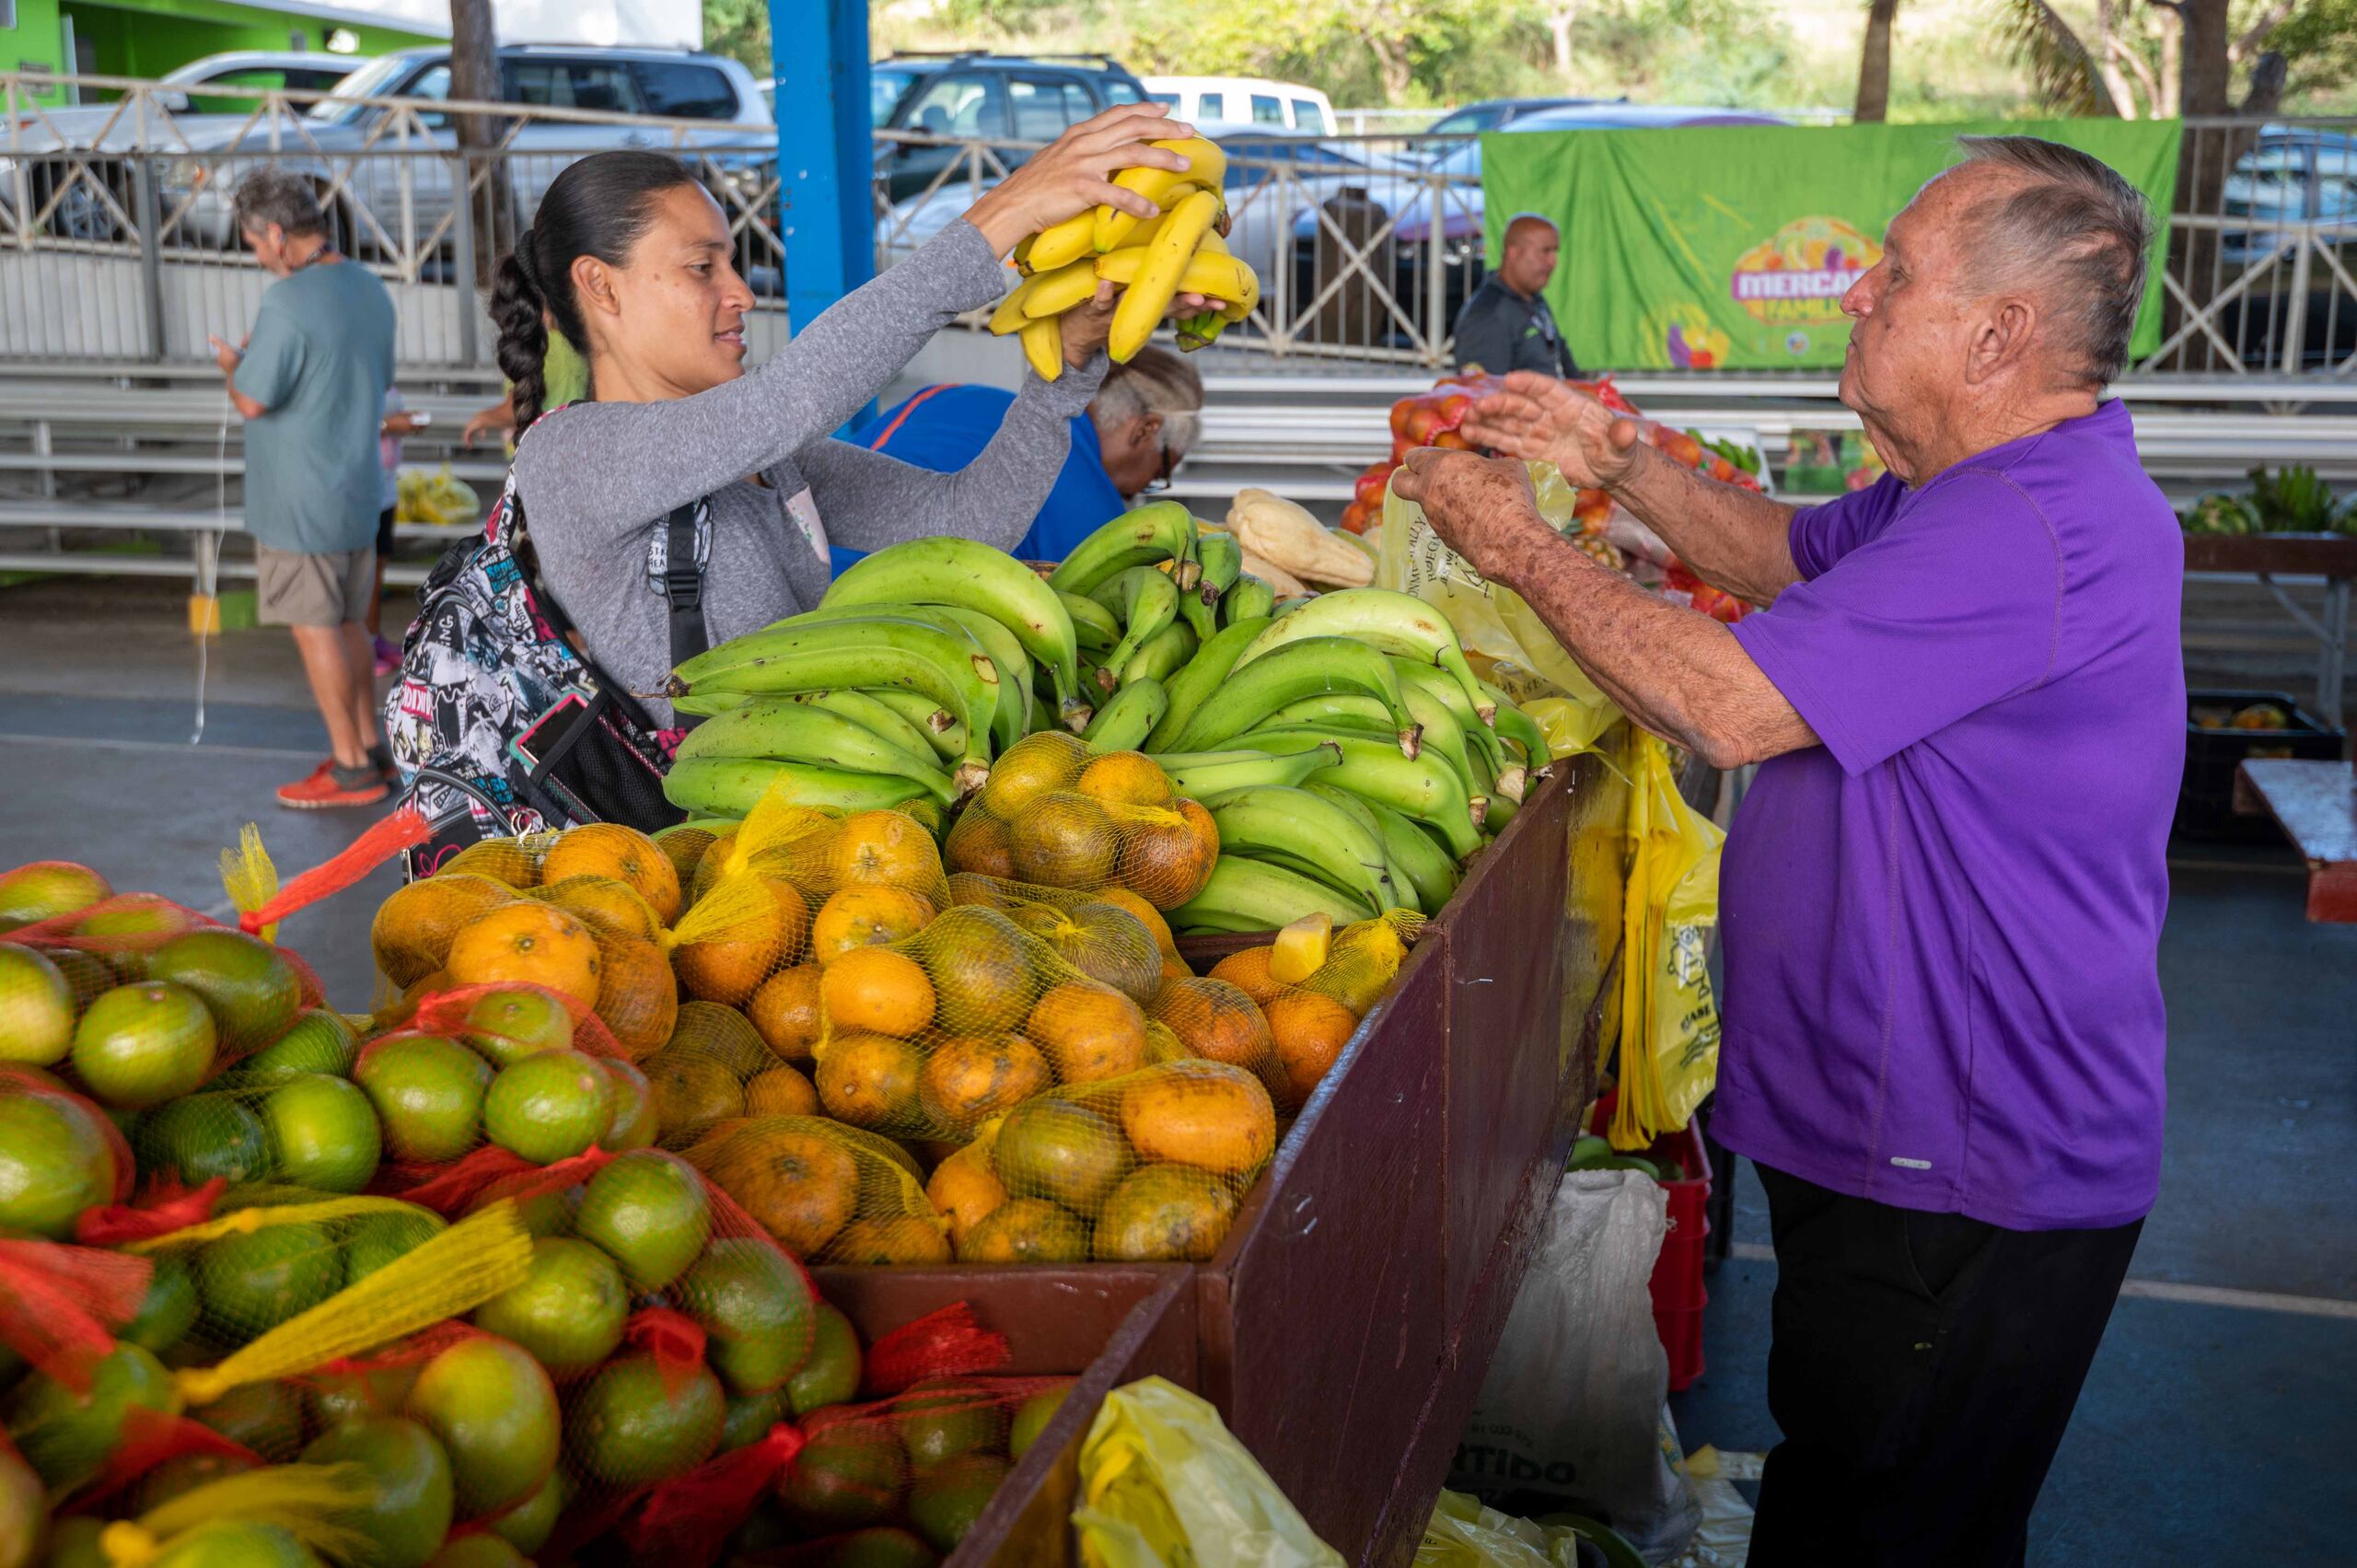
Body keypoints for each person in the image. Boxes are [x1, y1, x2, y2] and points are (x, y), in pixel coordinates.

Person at [1394, 136, 2178, 1566]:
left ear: (1997, 333)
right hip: (1905, 1129)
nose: (1855, 298)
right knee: (1847, 1489)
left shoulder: (2029, 526)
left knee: (1881, 1528)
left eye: (1896, 276)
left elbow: (1724, 700)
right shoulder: (1967, 494)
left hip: (1964, 1146)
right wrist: (1617, 457)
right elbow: (1775, 550)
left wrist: (1517, 544)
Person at [474, 105, 1217, 729]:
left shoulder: (769, 465)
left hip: (812, 835)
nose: (741, 293)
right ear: (600, 286)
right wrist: (1006, 214)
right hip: (684, 868)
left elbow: (967, 523)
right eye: (703, 268)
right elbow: (791, 398)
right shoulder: (573, 455)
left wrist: (1068, 369)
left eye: (733, 263)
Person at [210, 167, 399, 809]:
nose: (259, 256)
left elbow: (255, 401)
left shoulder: (286, 301)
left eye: (256, 244)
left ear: (276, 232)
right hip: (358, 488)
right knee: (349, 623)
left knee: (314, 628)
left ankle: (350, 769)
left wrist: (235, 368)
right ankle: (372, 749)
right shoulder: (370, 289)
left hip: (300, 496)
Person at [843, 346, 1203, 567]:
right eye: (1162, 468)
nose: (1148, 485)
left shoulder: (952, 394)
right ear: (1144, 430)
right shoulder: (1095, 522)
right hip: (866, 630)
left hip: (798, 563)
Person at [1450, 213, 1579, 377]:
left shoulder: (1534, 300)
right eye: (1545, 251)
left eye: (1555, 251)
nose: (1553, 261)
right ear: (1514, 253)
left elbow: (1565, 367)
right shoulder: (1489, 315)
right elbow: (1482, 394)